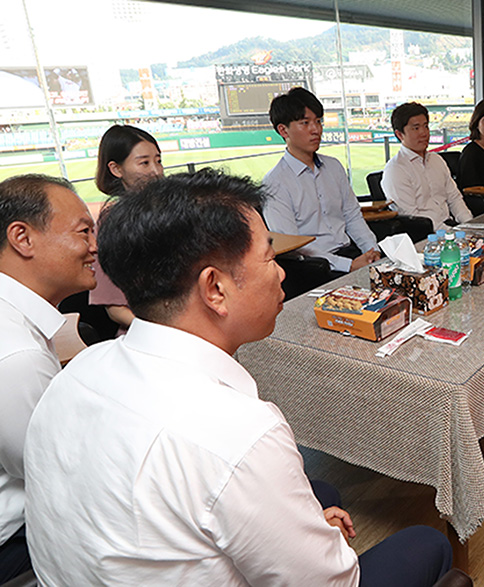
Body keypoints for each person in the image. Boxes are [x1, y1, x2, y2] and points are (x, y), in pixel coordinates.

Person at [23, 170, 453, 586]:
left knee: (321, 495)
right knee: (426, 542)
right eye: (269, 257)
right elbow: (333, 581)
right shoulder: (241, 434)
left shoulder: (78, 369)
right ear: (215, 289)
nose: (282, 272)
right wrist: (327, 547)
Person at [0, 174, 97, 582]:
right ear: (22, 238)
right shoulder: (18, 354)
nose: (95, 247)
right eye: (83, 232)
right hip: (14, 540)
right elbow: (55, 472)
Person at [262, 87, 380, 278]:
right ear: (283, 130)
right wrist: (348, 265)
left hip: (351, 253)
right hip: (315, 268)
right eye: (305, 123)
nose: (316, 129)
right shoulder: (274, 183)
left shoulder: (333, 167)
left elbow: (352, 216)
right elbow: (292, 246)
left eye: (318, 121)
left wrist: (372, 250)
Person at [90, 125, 164, 332]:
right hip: (146, 335)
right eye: (144, 163)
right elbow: (115, 308)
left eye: (159, 161)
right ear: (116, 169)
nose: (156, 171)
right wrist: (162, 333)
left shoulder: (170, 212)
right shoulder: (112, 223)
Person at [382, 102, 473, 231]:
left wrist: (470, 225)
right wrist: (454, 233)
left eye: (426, 126)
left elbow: (454, 198)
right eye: (416, 128)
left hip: (451, 227)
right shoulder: (395, 170)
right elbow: (413, 218)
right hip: (426, 235)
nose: (424, 133)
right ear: (399, 134)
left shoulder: (437, 160)